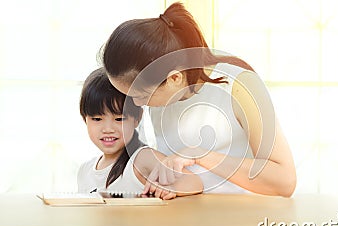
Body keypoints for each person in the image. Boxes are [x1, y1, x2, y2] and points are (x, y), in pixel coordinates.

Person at [101, 2, 296, 196]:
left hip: (243, 217)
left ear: (174, 78)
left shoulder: (239, 85)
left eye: (141, 96)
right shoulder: (161, 89)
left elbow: (284, 181)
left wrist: (201, 155)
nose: (136, 103)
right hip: (184, 217)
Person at [77, 67, 203, 199]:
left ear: (137, 118)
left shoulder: (142, 158)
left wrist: (171, 188)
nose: (108, 129)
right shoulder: (84, 170)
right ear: (85, 118)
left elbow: (193, 182)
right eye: (97, 119)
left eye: (119, 119)